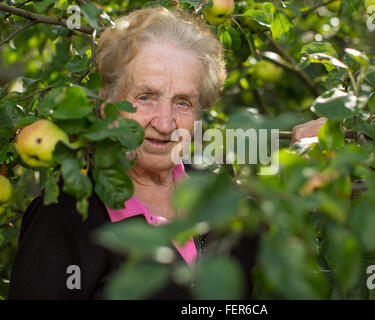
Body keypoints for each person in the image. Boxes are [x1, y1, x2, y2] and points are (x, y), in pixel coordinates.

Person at [8, 6, 325, 299]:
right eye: (145, 97)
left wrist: (304, 161)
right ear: (106, 103)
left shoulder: (214, 196)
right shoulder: (66, 214)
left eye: (183, 102)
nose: (164, 123)